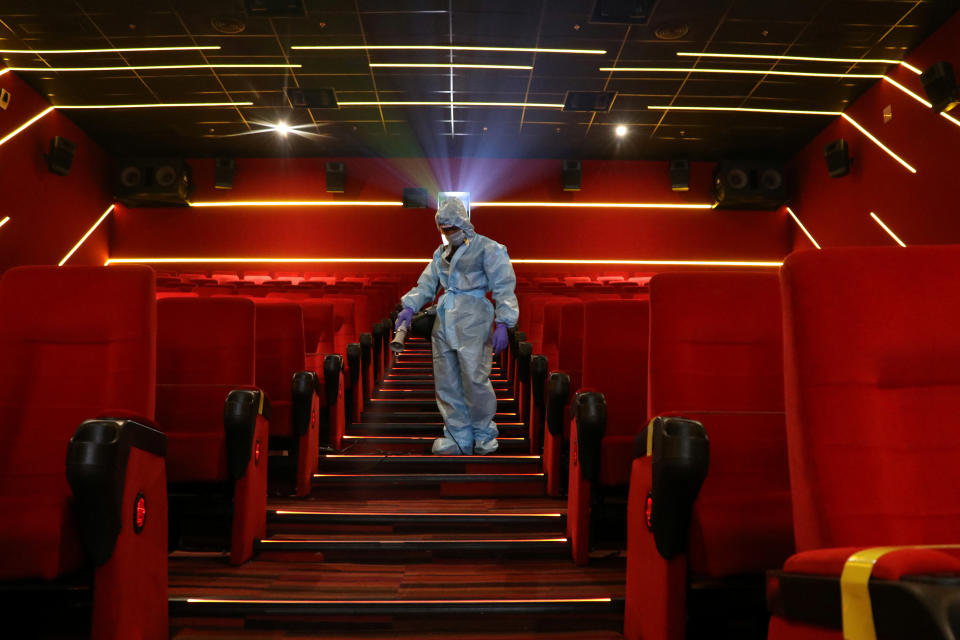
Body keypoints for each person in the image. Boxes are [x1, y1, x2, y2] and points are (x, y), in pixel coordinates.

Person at [395, 197, 519, 455]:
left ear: (463, 222)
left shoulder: (488, 248)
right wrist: (409, 307)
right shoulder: (441, 254)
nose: (448, 233)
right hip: (444, 322)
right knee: (447, 382)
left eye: (451, 228)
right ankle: (457, 436)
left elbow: (503, 286)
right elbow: (426, 284)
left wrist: (504, 323)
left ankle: (483, 434)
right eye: (444, 229)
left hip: (474, 320)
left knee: (475, 380)